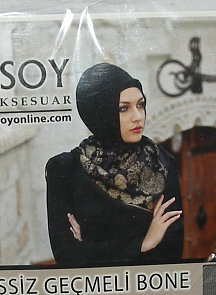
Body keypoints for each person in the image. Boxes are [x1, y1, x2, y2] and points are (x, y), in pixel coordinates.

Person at [46, 63, 183, 267]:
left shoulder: (161, 163)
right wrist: (144, 244)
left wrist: (90, 248)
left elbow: (172, 252)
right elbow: (68, 257)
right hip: (93, 286)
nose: (138, 116)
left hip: (148, 284)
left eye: (140, 105)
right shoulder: (64, 169)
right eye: (123, 108)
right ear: (99, 112)